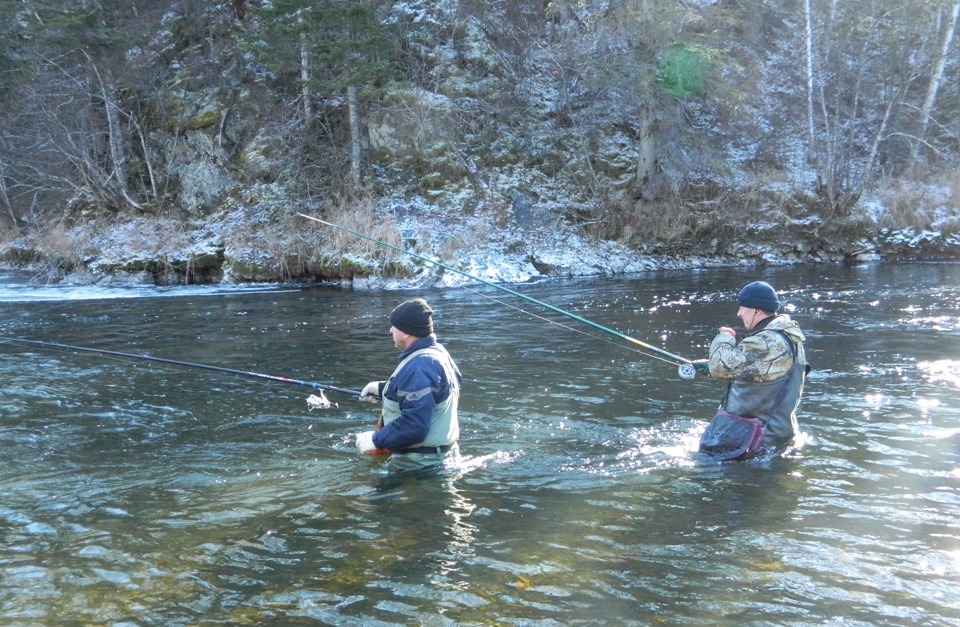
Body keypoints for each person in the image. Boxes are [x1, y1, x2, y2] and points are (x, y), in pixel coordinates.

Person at [699, 280, 809, 460]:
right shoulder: (786, 337)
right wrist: (710, 365)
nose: (739, 313)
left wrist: (724, 337)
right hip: (773, 438)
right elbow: (765, 371)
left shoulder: (767, 342)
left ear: (757, 310)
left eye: (743, 307)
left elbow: (721, 367)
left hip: (755, 444)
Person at [353, 298, 461, 472]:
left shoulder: (421, 364)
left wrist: (375, 440)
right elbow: (438, 393)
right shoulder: (437, 352)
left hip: (420, 466)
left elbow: (415, 425)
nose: (390, 330)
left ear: (405, 332)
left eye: (394, 326)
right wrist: (383, 389)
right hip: (441, 458)